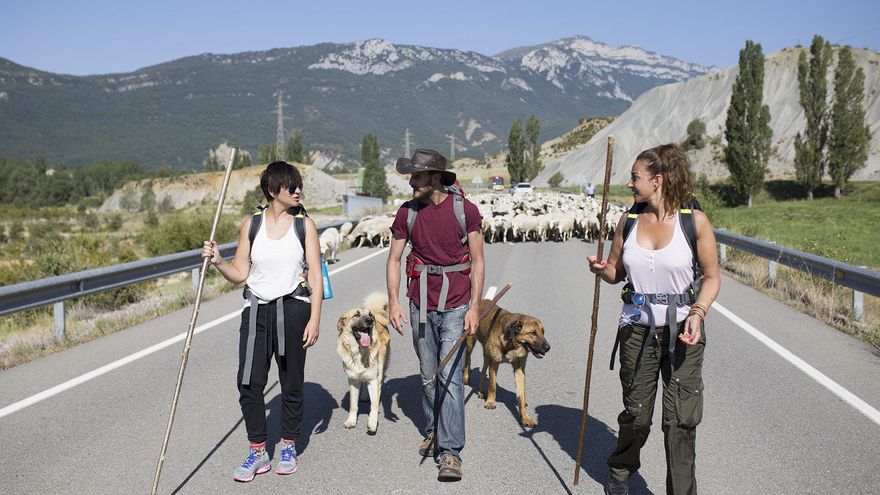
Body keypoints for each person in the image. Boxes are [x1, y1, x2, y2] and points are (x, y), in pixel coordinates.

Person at [587, 144, 720, 495]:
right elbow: (615, 272)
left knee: (680, 422)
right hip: (636, 329)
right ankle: (620, 469)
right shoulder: (628, 221)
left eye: (635, 177)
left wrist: (698, 312)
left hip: (683, 332)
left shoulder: (694, 222)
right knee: (637, 414)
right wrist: (602, 270)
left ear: (657, 180)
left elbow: (711, 278)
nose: (629, 183)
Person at [202, 161, 322, 482]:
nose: (298, 190)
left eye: (299, 185)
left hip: (294, 309)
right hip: (256, 311)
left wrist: (315, 319)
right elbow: (240, 273)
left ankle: (288, 445)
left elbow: (316, 275)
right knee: (249, 382)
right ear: (272, 190)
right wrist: (218, 261)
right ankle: (258, 451)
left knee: (291, 382)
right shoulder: (251, 225)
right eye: (291, 186)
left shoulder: (305, 226)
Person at [386, 149, 485, 481]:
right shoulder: (407, 213)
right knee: (429, 375)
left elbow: (478, 261)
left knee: (450, 378)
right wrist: (394, 302)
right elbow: (393, 260)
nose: (411, 182)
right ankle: (433, 430)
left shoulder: (465, 210)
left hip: (457, 304)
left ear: (436, 177)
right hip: (420, 305)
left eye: (417, 176)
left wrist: (475, 307)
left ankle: (451, 452)